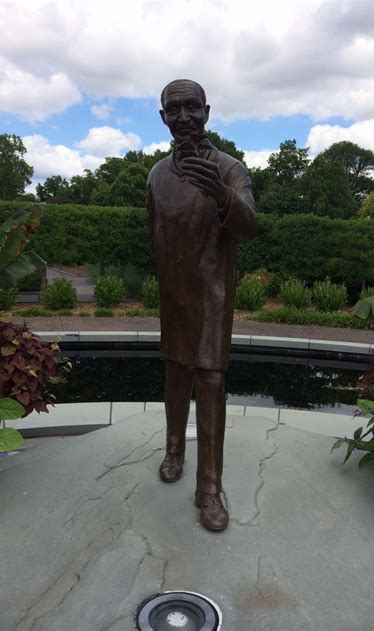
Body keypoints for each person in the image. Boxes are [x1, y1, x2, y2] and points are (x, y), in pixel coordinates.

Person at [147, 79, 257, 530]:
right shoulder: (155, 174)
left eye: (192, 107)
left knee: (209, 382)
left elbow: (250, 226)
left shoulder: (230, 168)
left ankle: (208, 488)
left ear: (207, 112)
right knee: (175, 372)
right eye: (175, 109)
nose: (185, 116)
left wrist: (222, 194)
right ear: (164, 118)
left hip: (213, 293)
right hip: (174, 294)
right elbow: (154, 233)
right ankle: (174, 449)